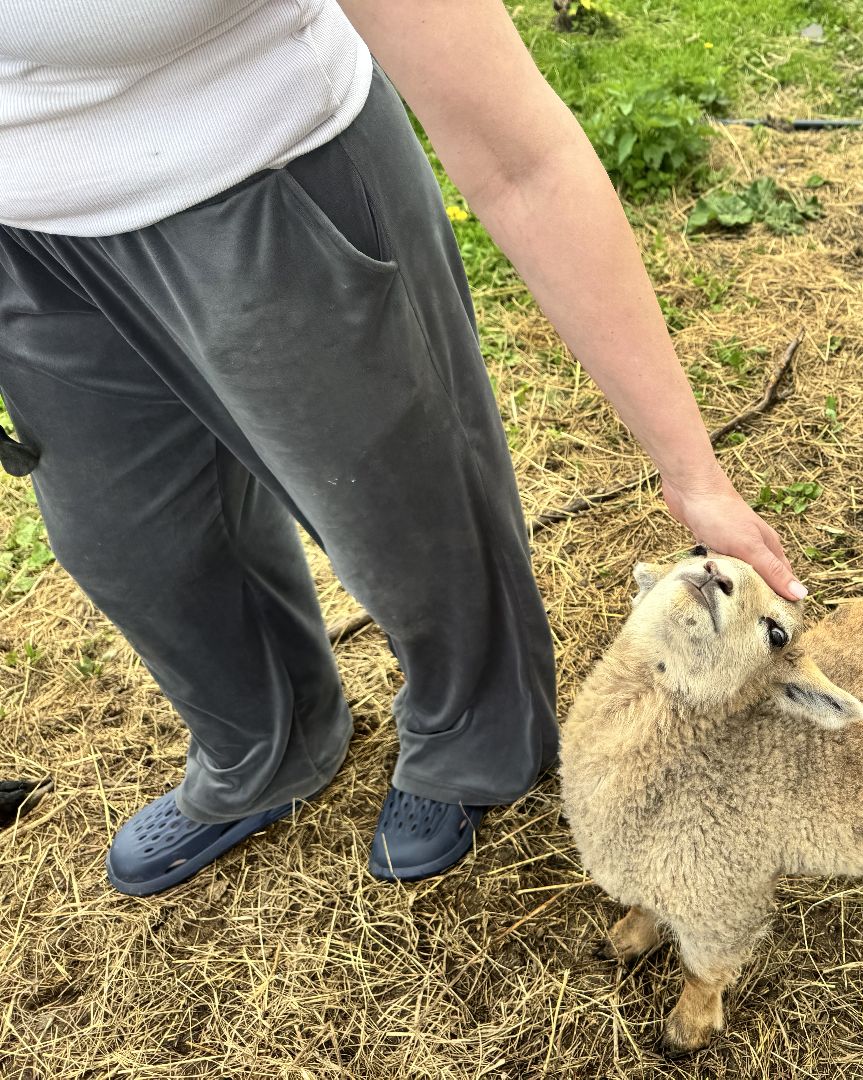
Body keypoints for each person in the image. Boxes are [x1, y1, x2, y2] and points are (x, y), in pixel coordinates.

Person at [0, 0, 804, 895]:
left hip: (262, 175)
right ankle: (266, 745)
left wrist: (691, 469)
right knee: (127, 541)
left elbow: (521, 158)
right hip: (26, 239)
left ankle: (476, 734)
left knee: (405, 517)